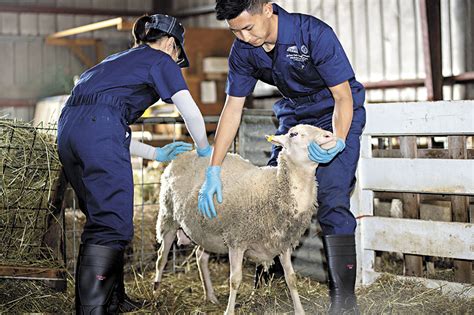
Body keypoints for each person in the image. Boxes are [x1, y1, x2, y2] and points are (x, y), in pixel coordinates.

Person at [197, 1, 365, 314]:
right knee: (275, 193)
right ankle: (273, 276)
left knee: (331, 197)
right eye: (236, 32)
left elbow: (343, 96)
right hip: (295, 117)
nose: (245, 37)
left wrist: (338, 140)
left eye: (248, 27)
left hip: (335, 113)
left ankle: (344, 300)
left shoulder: (313, 34)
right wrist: (213, 170)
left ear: (267, 8)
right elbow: (233, 109)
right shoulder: (244, 50)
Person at [57, 13, 212, 313]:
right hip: (99, 130)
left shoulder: (115, 62)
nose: (176, 58)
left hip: (68, 130)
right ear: (170, 43)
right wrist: (205, 152)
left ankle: (114, 299)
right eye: (178, 51)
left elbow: (102, 123)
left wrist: (156, 154)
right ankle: (93, 309)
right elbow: (191, 113)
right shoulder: (162, 60)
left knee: (100, 217)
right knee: (111, 223)